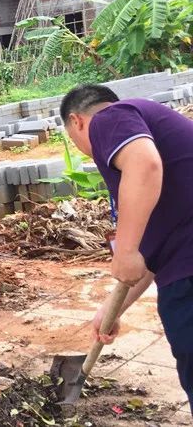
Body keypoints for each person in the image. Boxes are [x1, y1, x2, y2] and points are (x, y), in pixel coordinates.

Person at [60, 84, 193, 412]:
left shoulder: (108, 118)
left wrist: (126, 249)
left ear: (77, 121)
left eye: (73, 141)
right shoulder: (152, 146)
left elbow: (145, 165)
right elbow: (150, 255)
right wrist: (112, 308)